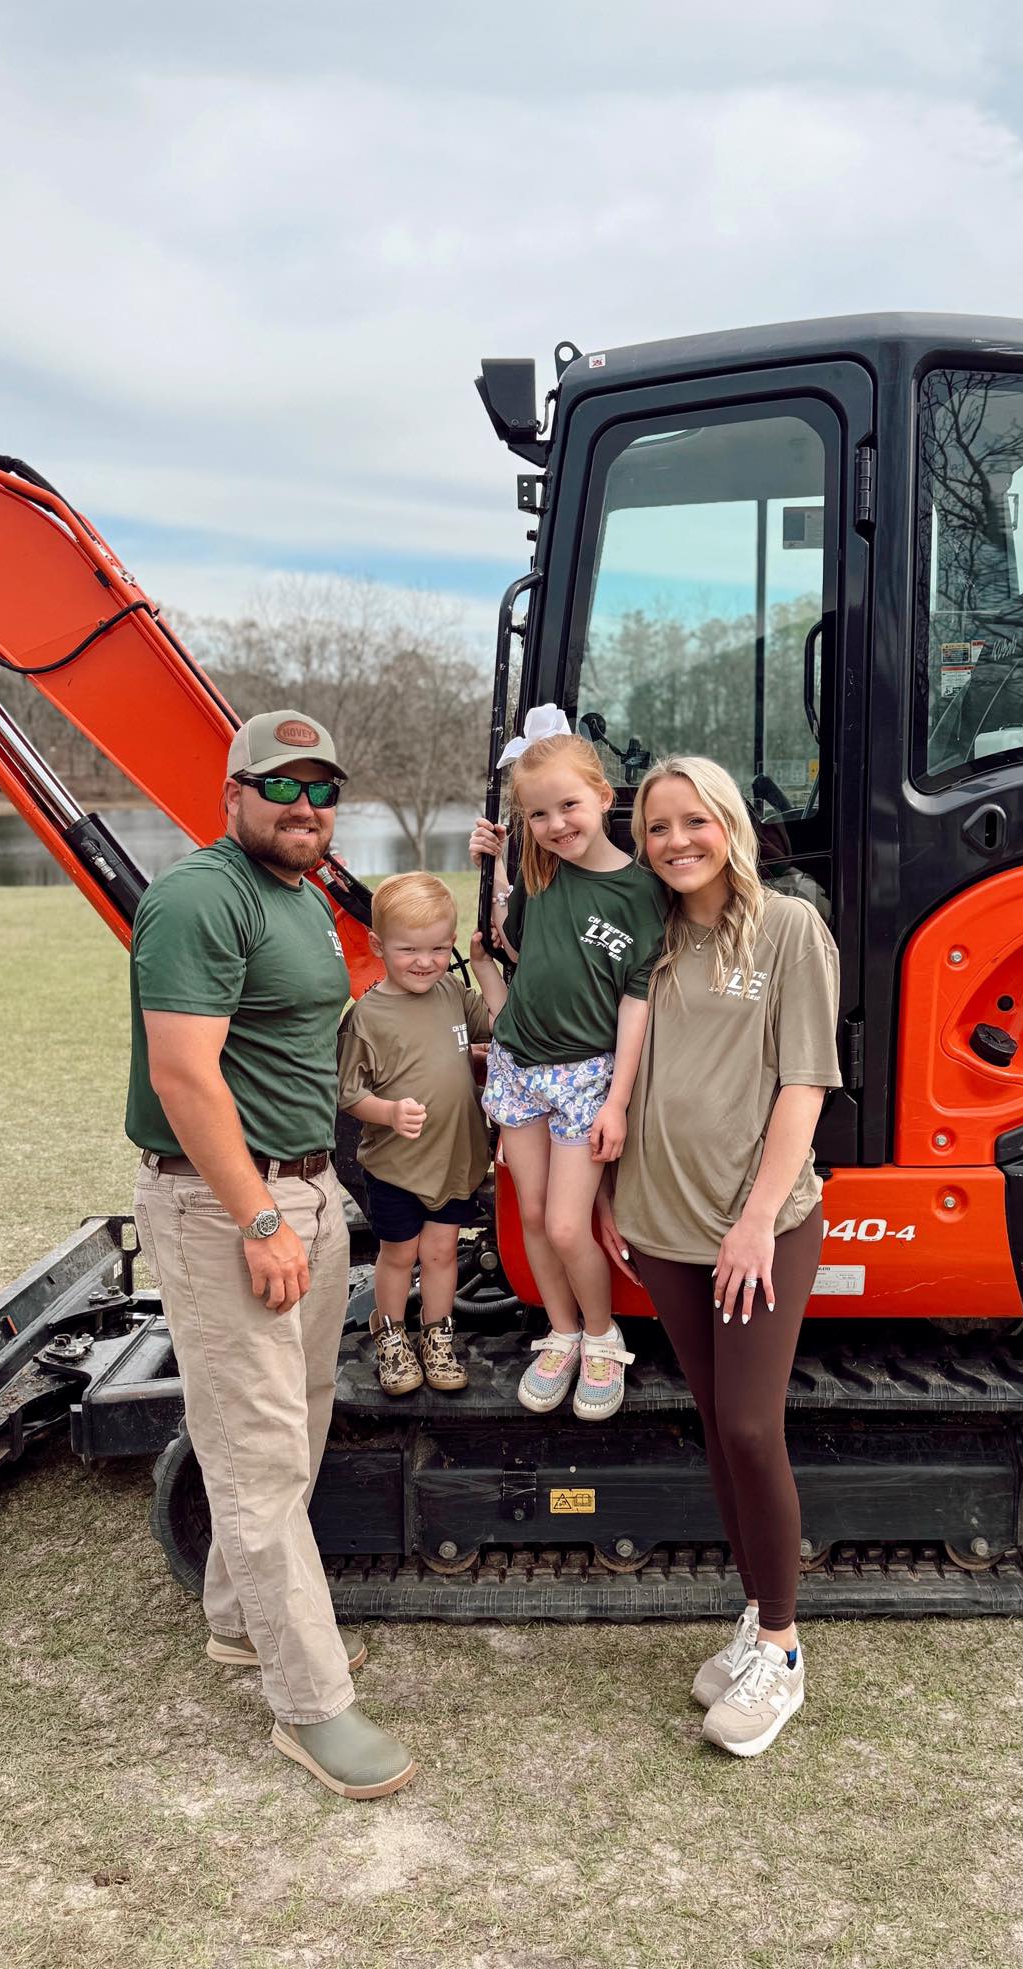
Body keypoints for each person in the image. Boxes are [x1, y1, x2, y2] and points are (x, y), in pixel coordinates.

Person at [127, 710, 415, 1801]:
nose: (304, 807)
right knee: (255, 1454)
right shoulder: (202, 896)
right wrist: (256, 1219)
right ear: (233, 794)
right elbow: (184, 1075)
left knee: (295, 1425)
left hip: (306, 1186)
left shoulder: (298, 896)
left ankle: (240, 1623)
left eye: (321, 790)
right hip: (225, 1201)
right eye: (281, 787)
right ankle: (311, 1705)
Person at [597, 756, 841, 1759]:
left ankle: (781, 1649)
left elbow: (804, 1084)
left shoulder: (787, 928)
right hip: (658, 1223)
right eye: (657, 828)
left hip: (755, 1230)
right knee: (715, 1424)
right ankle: (753, 1611)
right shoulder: (647, 933)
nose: (676, 842)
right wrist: (611, 1194)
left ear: (730, 824)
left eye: (693, 821)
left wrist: (757, 1219)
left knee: (748, 1423)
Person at [468, 711, 667, 1422]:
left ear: (604, 797)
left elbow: (636, 1003)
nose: (555, 824)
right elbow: (517, 946)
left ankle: (602, 1336)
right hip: (519, 1065)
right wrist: (495, 865)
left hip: (585, 1077)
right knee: (528, 1211)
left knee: (562, 1225)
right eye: (538, 815)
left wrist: (617, 1100)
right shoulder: (540, 872)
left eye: (568, 806)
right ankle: (560, 1334)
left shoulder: (643, 892)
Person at [338, 871, 492, 1396]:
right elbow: (348, 1093)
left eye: (439, 949)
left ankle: (437, 1338)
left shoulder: (453, 992)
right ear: (378, 945)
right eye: (409, 950)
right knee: (400, 1254)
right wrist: (387, 1112)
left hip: (454, 1159)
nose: (425, 962)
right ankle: (392, 1338)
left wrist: (484, 964)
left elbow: (497, 1024)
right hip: (397, 1166)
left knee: (442, 1253)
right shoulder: (367, 1017)